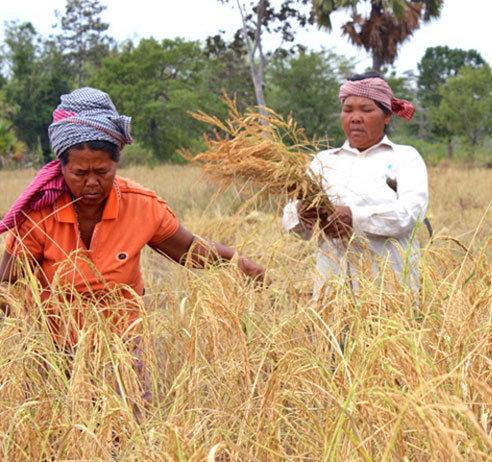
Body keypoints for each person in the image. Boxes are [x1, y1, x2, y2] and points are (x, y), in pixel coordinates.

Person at [0, 87, 268, 346]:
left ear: (117, 162)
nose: (92, 182)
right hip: (55, 348)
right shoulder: (40, 213)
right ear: (62, 166)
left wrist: (238, 262)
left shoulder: (142, 206)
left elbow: (188, 250)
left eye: (102, 172)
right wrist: (29, 339)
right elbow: (6, 284)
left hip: (123, 346)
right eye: (80, 174)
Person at [282, 72, 428, 295]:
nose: (355, 118)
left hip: (390, 291)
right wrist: (301, 212)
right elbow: (292, 224)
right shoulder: (324, 161)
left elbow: (408, 216)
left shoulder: (405, 158)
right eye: (348, 110)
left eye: (366, 110)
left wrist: (354, 217)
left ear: (386, 116)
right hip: (333, 291)